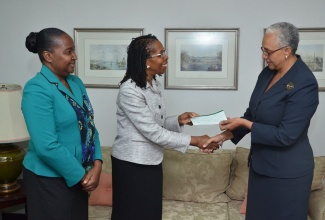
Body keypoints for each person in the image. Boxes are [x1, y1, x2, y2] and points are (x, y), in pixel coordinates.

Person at [204, 22, 319, 220]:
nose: (264, 56)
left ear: (286, 51)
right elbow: (252, 113)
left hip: (288, 175)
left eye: (268, 51)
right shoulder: (267, 73)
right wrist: (223, 136)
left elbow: (286, 135)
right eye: (262, 50)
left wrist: (244, 124)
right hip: (261, 169)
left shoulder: (305, 83)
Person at [111, 34, 211, 220]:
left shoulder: (152, 84)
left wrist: (178, 121)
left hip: (151, 161)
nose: (166, 57)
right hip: (132, 165)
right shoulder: (129, 91)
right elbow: (153, 132)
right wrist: (195, 141)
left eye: (164, 52)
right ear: (145, 61)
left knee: (150, 213)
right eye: (160, 53)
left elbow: (154, 124)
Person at [22, 28, 102, 220]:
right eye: (68, 52)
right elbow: (46, 146)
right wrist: (82, 175)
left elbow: (89, 124)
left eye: (73, 51)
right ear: (48, 56)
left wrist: (97, 164)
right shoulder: (36, 88)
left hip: (79, 176)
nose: (74, 56)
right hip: (49, 181)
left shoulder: (76, 82)